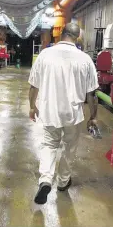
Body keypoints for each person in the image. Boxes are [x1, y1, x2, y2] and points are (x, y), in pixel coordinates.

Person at [28, 22, 99, 204]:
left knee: (49, 145)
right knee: (69, 148)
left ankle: (45, 180)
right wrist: (93, 117)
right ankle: (62, 181)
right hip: (73, 114)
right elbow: (92, 94)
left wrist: (32, 106)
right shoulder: (85, 60)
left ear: (60, 34)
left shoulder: (45, 55)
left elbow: (33, 85)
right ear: (77, 38)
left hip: (49, 110)